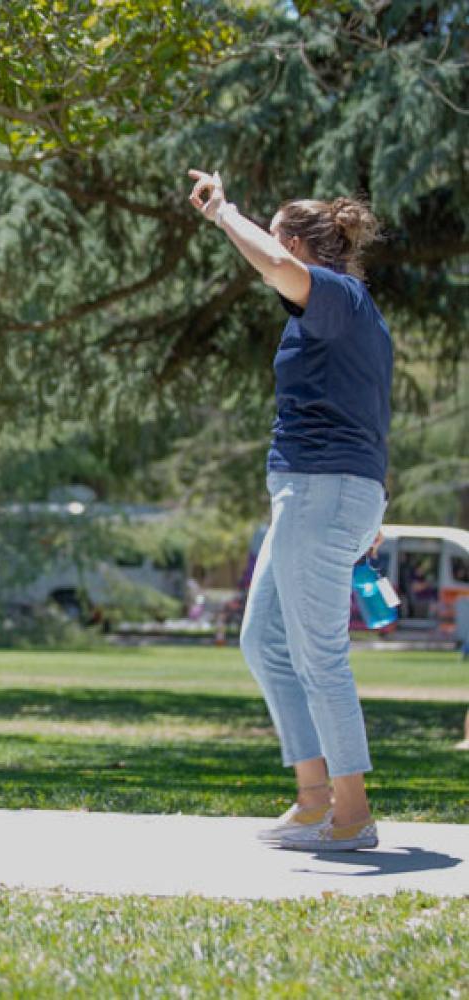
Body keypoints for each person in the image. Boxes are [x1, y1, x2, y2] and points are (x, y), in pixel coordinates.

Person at [187, 170, 392, 851]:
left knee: (319, 657)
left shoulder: (335, 296)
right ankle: (312, 800)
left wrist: (225, 213)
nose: (267, 254)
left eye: (276, 239)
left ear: (299, 246)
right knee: (264, 641)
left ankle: (352, 814)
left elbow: (275, 266)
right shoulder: (346, 314)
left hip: (322, 492)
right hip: (319, 494)